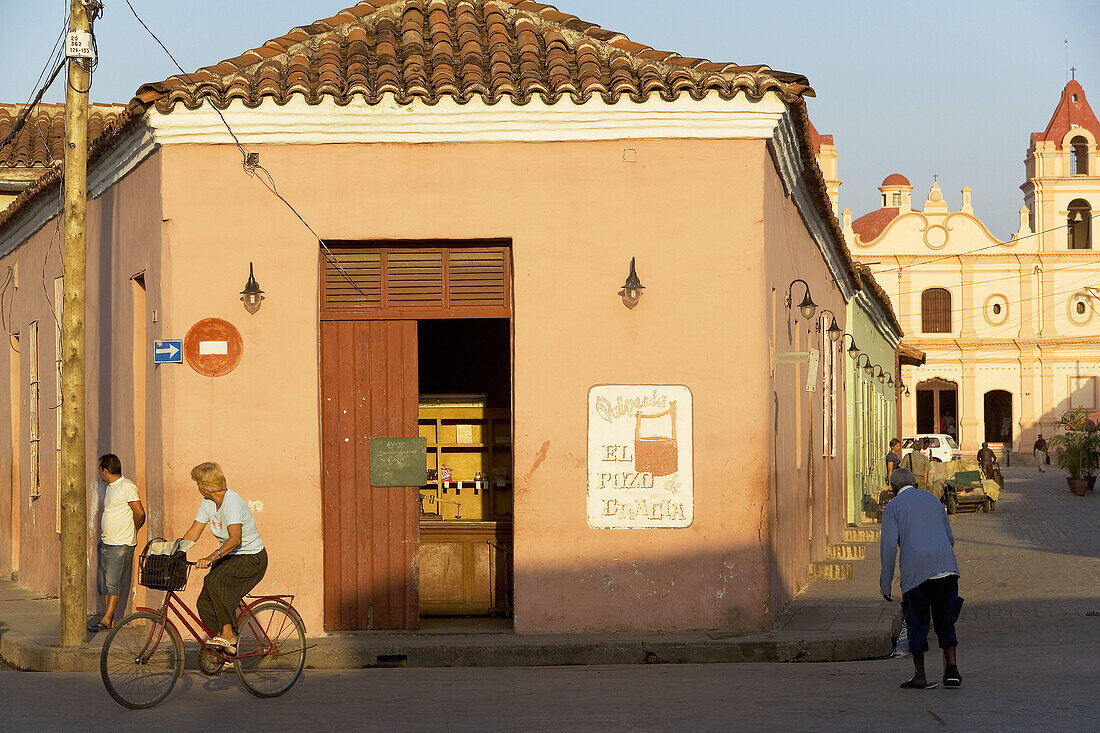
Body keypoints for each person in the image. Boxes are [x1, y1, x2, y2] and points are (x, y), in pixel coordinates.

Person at [880, 468, 962, 689]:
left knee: (917, 620)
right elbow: (950, 538)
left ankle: (920, 675)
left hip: (915, 573)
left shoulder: (892, 507)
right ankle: (952, 670)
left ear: (893, 488)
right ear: (915, 485)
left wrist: (885, 584)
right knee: (945, 618)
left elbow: (889, 548)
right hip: (946, 568)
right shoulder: (933, 500)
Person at [181, 462, 267, 652]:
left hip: (251, 559)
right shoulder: (208, 503)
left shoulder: (232, 502)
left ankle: (229, 634)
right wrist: (175, 549)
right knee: (204, 603)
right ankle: (227, 645)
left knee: (214, 581)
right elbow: (194, 532)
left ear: (204, 487)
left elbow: (235, 539)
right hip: (230, 557)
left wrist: (211, 557)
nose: (198, 488)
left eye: (198, 484)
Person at [89, 454, 146, 631]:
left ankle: (106, 619)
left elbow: (140, 513)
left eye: (100, 469)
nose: (99, 473)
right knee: (106, 583)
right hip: (107, 541)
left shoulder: (126, 486)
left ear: (105, 470)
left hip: (121, 542)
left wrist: (135, 528)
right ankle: (109, 619)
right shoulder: (110, 488)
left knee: (113, 582)